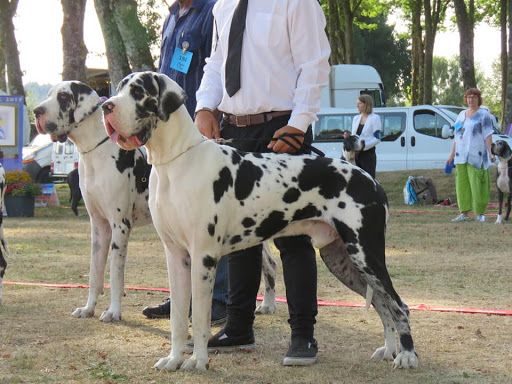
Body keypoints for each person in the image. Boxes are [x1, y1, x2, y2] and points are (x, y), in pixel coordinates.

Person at [193, 0, 330, 366]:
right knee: (237, 235)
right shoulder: (223, 5)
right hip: (236, 130)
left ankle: (303, 334)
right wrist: (205, 107)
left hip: (283, 126)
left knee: (293, 234)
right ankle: (239, 327)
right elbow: (215, 62)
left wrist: (299, 124)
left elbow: (314, 64)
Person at [142, 0, 229, 325]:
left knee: (209, 216)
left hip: (197, 126)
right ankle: (183, 298)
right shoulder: (172, 16)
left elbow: (217, 66)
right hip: (167, 129)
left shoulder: (211, 11)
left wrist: (210, 111)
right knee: (177, 218)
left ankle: (218, 299)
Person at [447, 88, 495, 223]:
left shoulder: (484, 115)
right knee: (462, 186)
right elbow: (456, 137)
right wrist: (451, 155)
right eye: (468, 97)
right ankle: (464, 212)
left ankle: (480, 213)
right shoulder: (461, 115)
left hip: (476, 156)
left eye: (474, 97)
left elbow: (488, 135)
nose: (471, 100)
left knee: (478, 185)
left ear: (478, 99)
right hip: (460, 156)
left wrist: (491, 152)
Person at [350, 94, 382, 178]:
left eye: (359, 103)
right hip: (355, 154)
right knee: (356, 178)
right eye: (357, 103)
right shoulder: (356, 118)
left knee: (368, 179)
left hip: (368, 155)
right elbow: (354, 135)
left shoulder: (375, 118)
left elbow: (378, 138)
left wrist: (364, 146)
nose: (357, 105)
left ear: (366, 104)